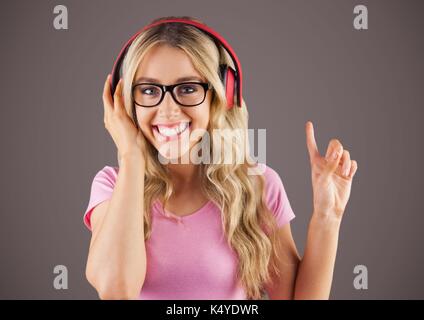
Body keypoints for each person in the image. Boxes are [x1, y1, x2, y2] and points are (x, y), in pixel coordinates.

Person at [83, 16, 358, 300]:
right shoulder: (112, 185)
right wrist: (131, 156)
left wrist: (328, 216)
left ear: (222, 95)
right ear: (126, 102)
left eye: (187, 88)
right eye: (149, 90)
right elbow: (116, 291)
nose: (167, 109)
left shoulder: (259, 186)